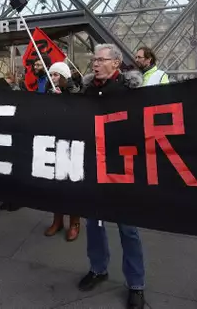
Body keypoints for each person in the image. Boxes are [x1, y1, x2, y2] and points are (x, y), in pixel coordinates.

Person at [79, 44, 146, 309]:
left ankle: (136, 284)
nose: (95, 63)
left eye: (100, 59)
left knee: (128, 229)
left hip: (122, 168)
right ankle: (98, 268)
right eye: (94, 59)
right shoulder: (86, 91)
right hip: (93, 167)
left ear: (116, 63)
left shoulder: (130, 92)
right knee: (93, 224)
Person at [44, 62, 81, 241]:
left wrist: (66, 99)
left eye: (56, 75)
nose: (53, 78)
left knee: (72, 185)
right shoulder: (49, 92)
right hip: (55, 142)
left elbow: (80, 115)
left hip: (73, 144)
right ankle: (57, 220)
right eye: (51, 75)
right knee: (56, 185)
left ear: (65, 77)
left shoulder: (76, 92)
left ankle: (74, 222)